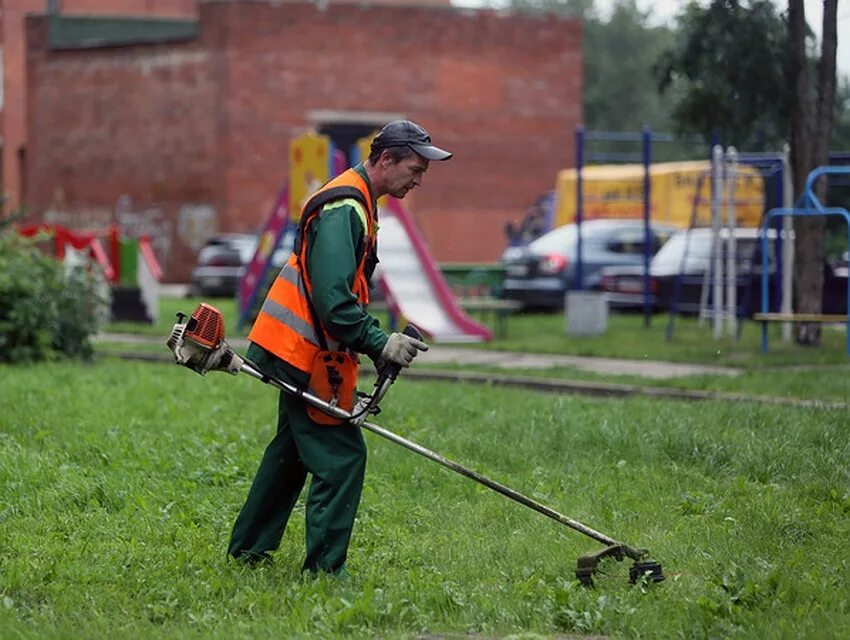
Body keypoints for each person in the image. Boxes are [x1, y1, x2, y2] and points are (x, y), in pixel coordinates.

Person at [227, 120, 453, 575]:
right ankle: (325, 572)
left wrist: (371, 347)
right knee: (342, 457)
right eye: (414, 169)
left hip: (293, 347)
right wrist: (380, 343)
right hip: (300, 351)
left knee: (291, 453)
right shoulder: (345, 209)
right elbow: (334, 302)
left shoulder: (361, 202)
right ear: (385, 160)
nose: (419, 180)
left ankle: (249, 550)